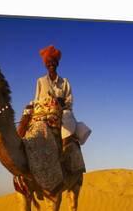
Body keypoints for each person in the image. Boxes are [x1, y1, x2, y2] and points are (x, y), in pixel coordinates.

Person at [19, 45, 88, 173]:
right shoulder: (40, 81)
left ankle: (65, 150)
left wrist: (63, 104)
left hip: (61, 112)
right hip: (43, 111)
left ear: (57, 64)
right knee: (25, 124)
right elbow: (37, 98)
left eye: (53, 62)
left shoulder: (64, 82)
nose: (51, 64)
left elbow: (69, 100)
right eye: (48, 62)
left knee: (68, 120)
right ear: (46, 65)